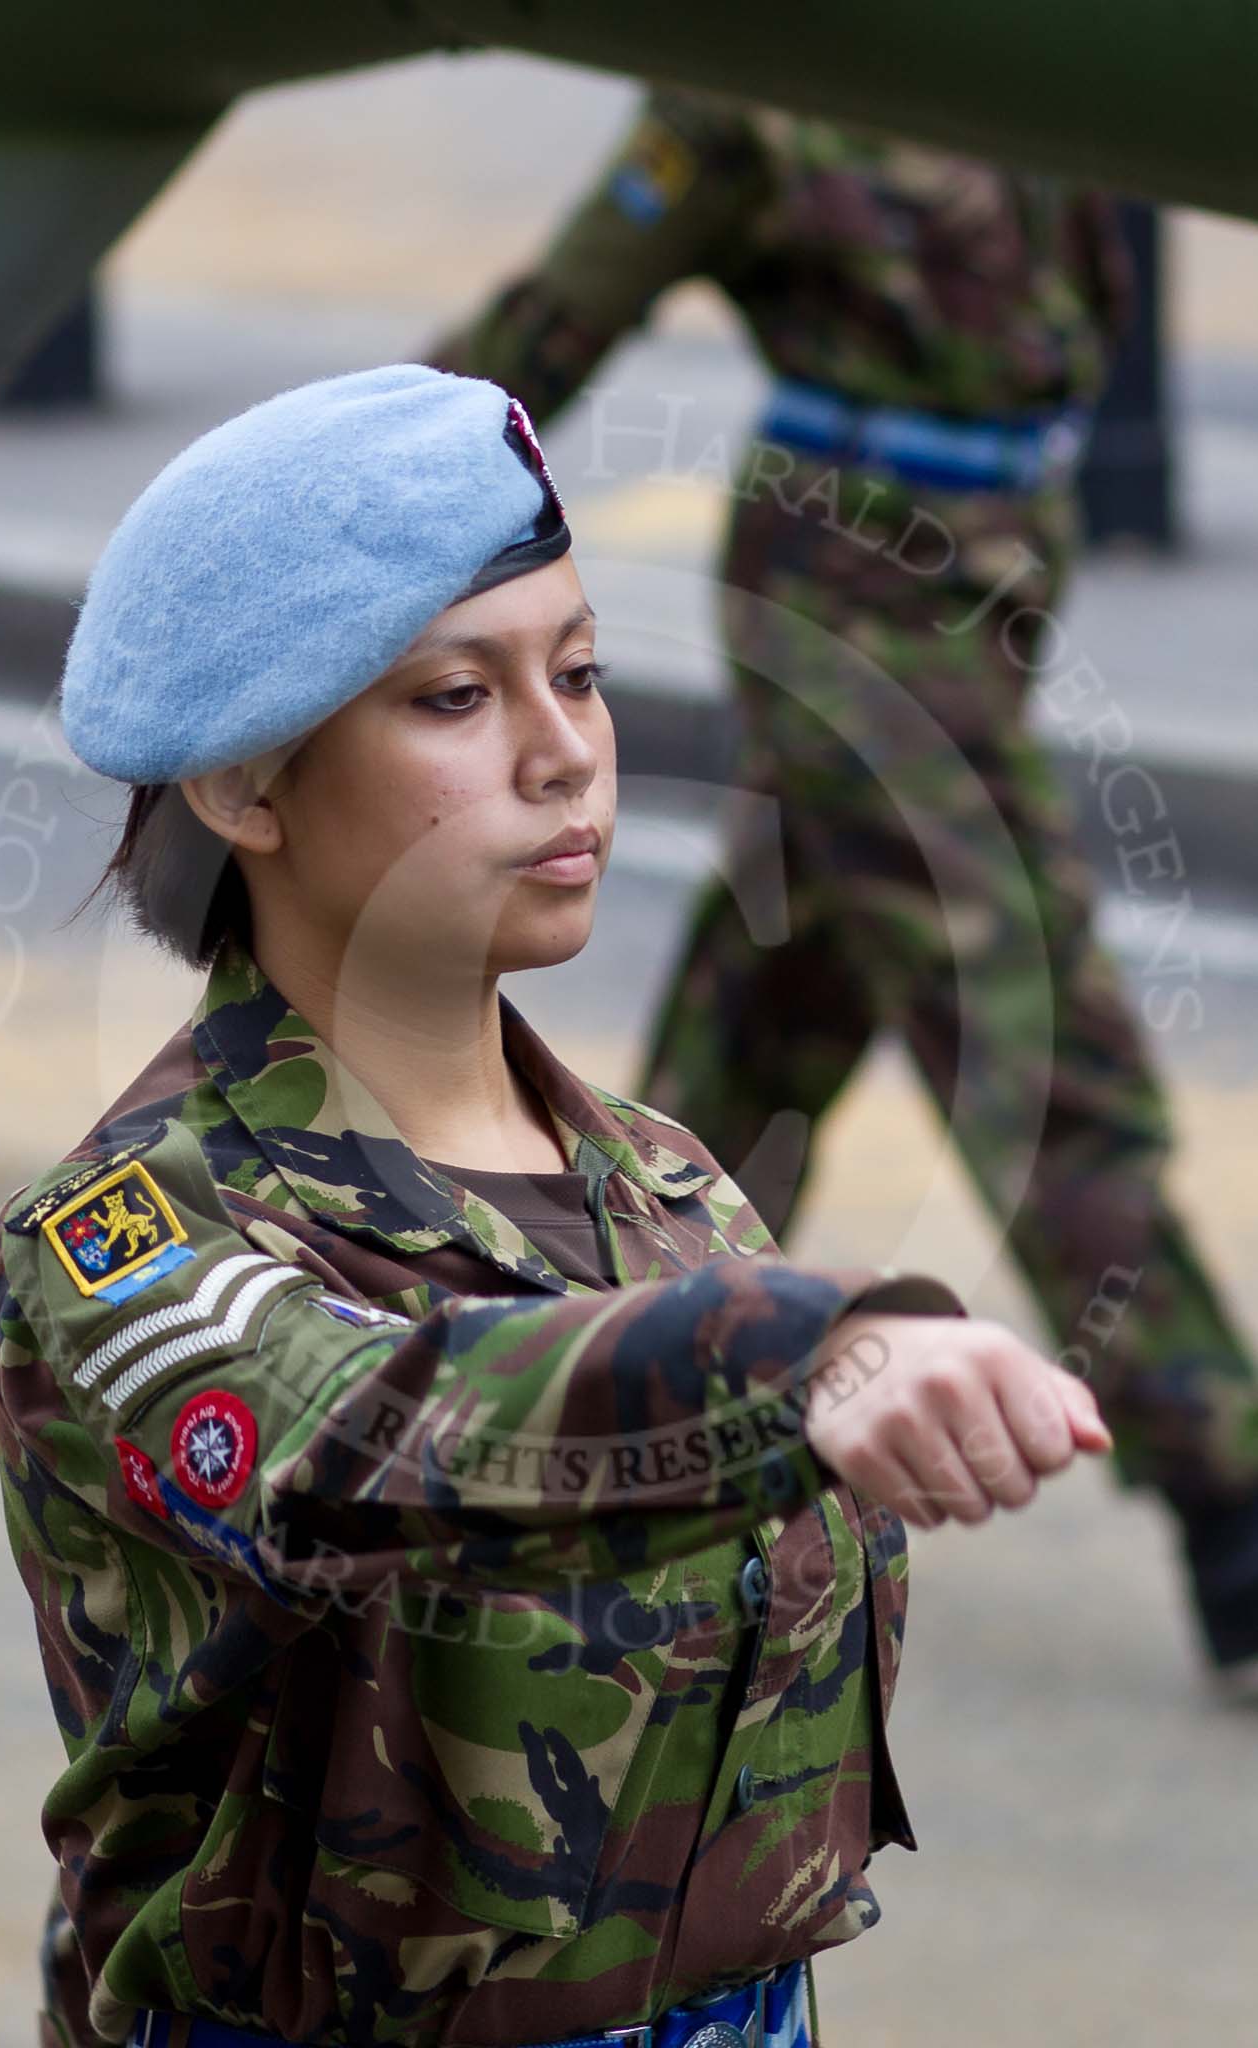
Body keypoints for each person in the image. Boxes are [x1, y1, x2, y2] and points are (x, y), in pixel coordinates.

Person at [0, 367, 1110, 2048]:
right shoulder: (124, 1243)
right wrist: (787, 1354)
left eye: (576, 672)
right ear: (241, 788)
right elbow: (372, 1439)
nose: (567, 748)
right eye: (454, 697)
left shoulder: (666, 1189)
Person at [429, 93, 1258, 1695]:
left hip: (996, 566)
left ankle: (591, 1385)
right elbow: (548, 322)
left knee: (772, 1013)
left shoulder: (1009, 46)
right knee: (1031, 1029)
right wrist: (349, 521)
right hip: (857, 598)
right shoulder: (752, 75)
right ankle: (1233, 1494)